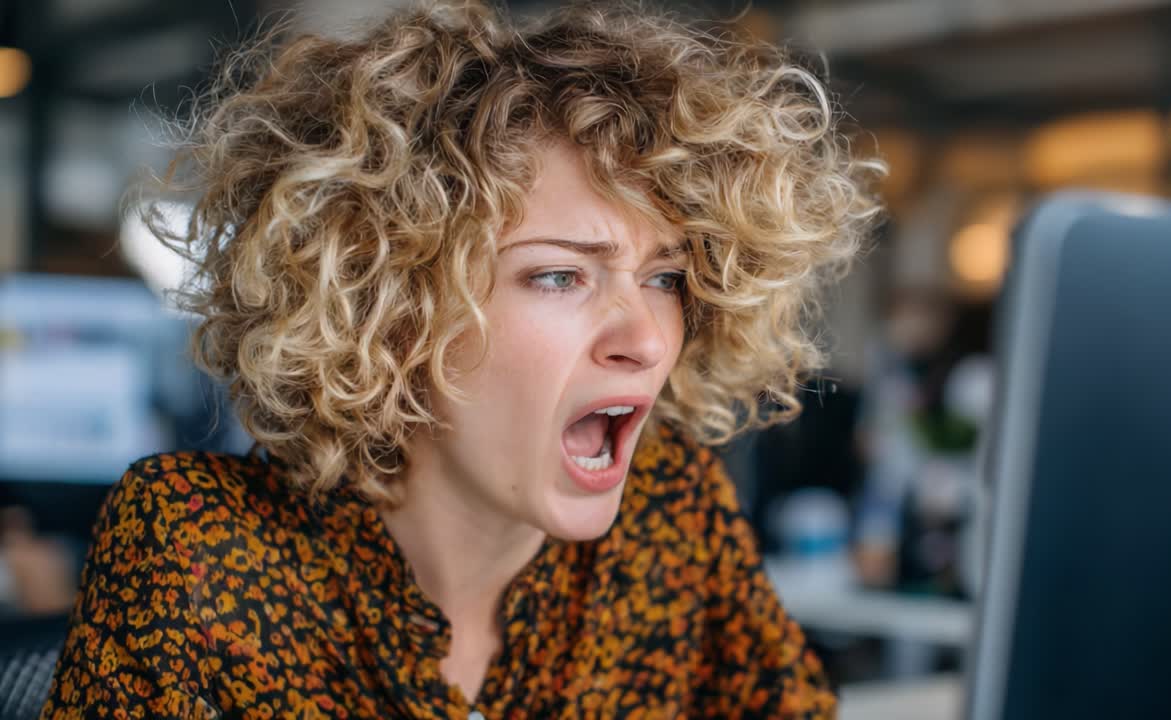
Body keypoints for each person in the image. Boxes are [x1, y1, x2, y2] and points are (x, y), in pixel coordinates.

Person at [40, 1, 882, 717]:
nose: (651, 337)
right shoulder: (200, 546)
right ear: (393, 307)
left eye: (665, 277)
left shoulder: (672, 515)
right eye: (559, 275)